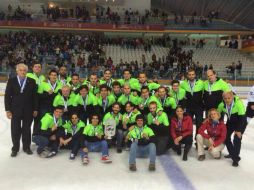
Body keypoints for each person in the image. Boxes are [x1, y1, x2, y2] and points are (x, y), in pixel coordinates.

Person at [5, 63, 38, 157]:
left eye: (24, 70)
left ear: (27, 71)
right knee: (15, 130)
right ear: (17, 71)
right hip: (15, 110)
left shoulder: (32, 81)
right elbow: (7, 96)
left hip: (29, 109)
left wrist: (35, 109)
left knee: (26, 130)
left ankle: (26, 147)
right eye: (21, 70)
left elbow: (35, 96)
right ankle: (15, 148)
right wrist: (8, 110)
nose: (23, 72)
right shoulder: (11, 81)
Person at [217, 91, 247, 167]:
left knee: (237, 139)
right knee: (226, 138)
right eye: (225, 98)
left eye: (229, 98)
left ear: (232, 97)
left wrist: (239, 130)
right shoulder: (221, 105)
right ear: (223, 98)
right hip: (230, 122)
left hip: (241, 122)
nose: (227, 100)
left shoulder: (238, 103)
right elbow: (217, 115)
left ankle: (235, 160)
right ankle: (234, 155)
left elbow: (242, 118)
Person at [181, 69, 204, 138]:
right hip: (188, 108)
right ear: (187, 75)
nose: (191, 76)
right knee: (188, 125)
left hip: (199, 107)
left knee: (199, 125)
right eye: (190, 75)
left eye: (193, 74)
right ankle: (189, 140)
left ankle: (197, 141)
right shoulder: (183, 84)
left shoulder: (201, 83)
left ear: (195, 75)